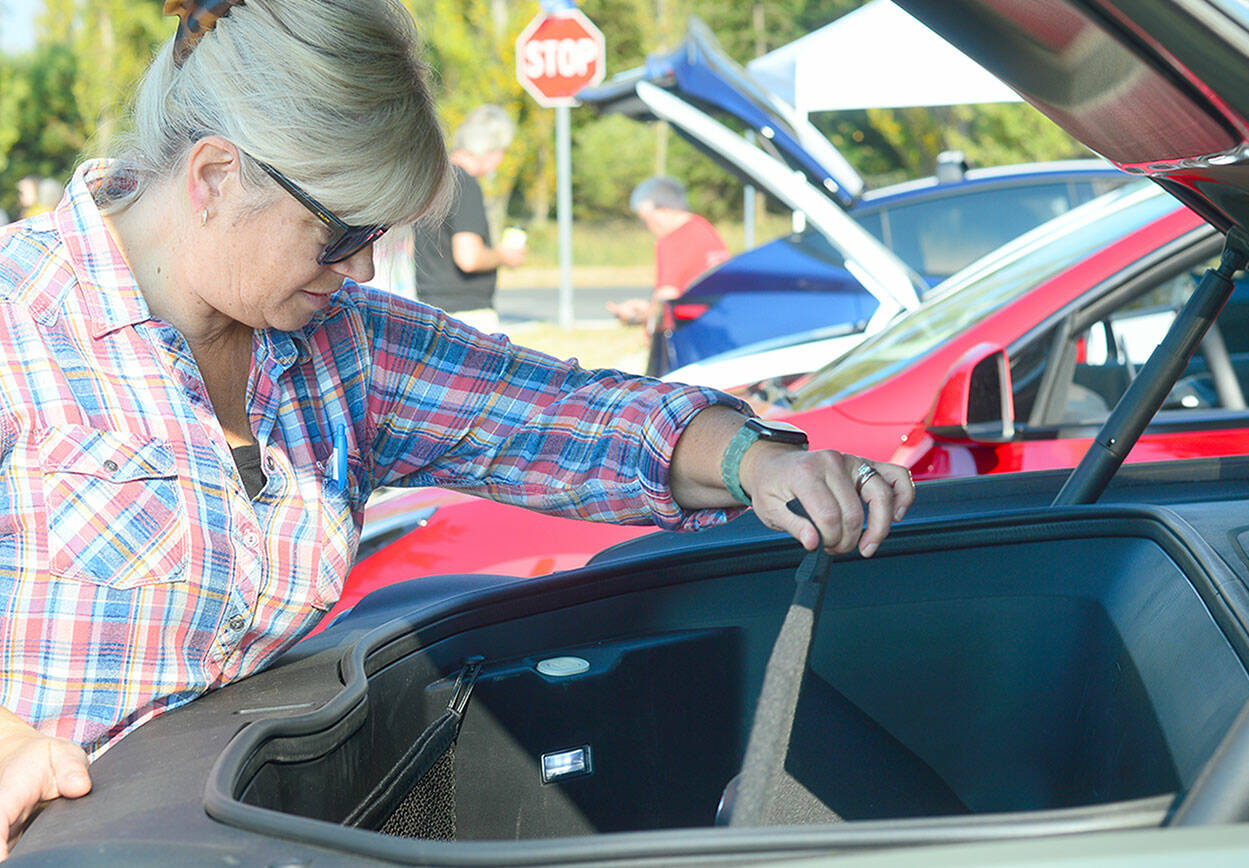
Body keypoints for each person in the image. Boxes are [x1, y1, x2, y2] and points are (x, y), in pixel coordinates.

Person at [0, 0, 913, 854]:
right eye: (343, 229)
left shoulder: (340, 345)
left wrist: (756, 461)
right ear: (213, 177)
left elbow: (559, 417)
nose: (361, 266)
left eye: (382, 236)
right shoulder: (18, 319)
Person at [412, 104, 526, 333]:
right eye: (501, 151)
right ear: (490, 150)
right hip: (467, 313)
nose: (500, 159)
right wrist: (503, 255)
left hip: (429, 307)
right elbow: (469, 258)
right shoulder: (465, 183)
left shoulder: (430, 181)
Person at [607, 176, 730, 328]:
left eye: (647, 219)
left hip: (686, 332)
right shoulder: (704, 227)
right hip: (715, 323)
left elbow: (665, 303)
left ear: (663, 210)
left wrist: (634, 317)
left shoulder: (672, 241)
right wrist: (647, 307)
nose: (648, 227)